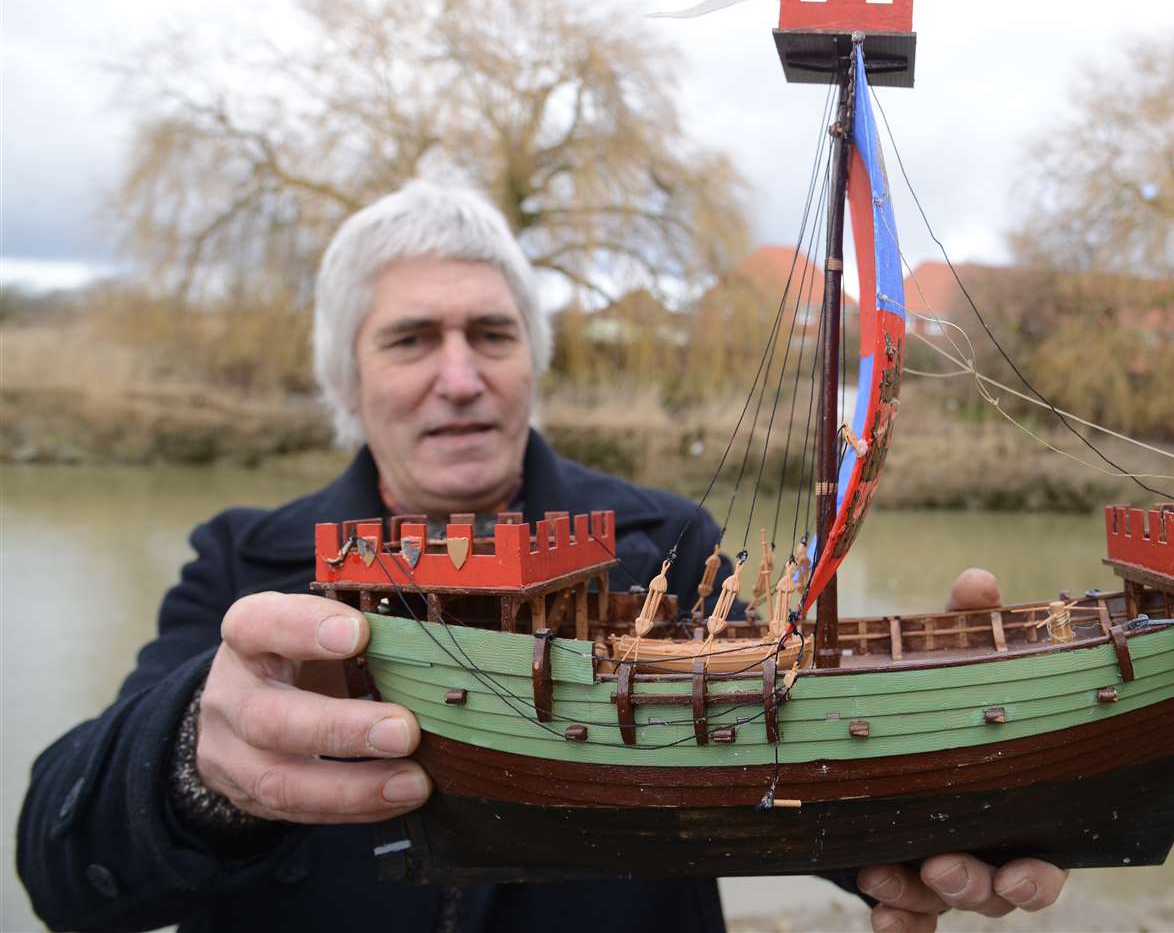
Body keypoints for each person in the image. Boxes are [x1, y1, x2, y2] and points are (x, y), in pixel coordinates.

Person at [16, 182, 1067, 933]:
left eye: (494, 334)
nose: (461, 378)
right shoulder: (247, 566)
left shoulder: (668, 550)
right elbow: (63, 873)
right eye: (411, 339)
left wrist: (920, 816)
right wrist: (197, 760)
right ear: (350, 376)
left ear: (535, 362)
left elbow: (757, 767)